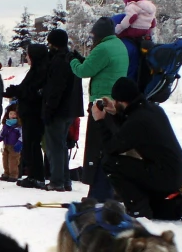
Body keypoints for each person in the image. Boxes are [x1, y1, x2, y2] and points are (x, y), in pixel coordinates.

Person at [91, 77, 182, 219]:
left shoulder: (138, 121)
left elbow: (111, 147)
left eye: (116, 101)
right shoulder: (152, 109)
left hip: (165, 176)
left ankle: (138, 209)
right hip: (173, 172)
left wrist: (99, 121)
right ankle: (151, 205)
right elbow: (129, 132)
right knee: (124, 162)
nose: (114, 103)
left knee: (111, 163)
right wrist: (115, 114)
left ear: (122, 101)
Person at [70, 17, 129, 200]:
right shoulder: (119, 45)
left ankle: (97, 193)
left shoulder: (103, 48)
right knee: (110, 148)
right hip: (117, 103)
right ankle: (112, 189)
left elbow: (83, 71)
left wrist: (73, 60)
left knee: (97, 149)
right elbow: (98, 66)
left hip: (101, 104)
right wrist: (83, 60)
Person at [43, 29, 84, 191]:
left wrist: (49, 108)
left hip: (59, 109)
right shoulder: (72, 58)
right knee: (61, 145)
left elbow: (56, 89)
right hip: (71, 109)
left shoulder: (59, 61)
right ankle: (65, 180)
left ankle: (57, 180)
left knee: (55, 146)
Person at [11, 44, 48, 188]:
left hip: (34, 114)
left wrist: (19, 92)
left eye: (28, 55)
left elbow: (32, 92)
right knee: (29, 145)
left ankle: (37, 176)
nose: (27, 57)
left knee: (33, 145)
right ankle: (32, 174)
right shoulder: (34, 71)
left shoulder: (40, 72)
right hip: (28, 113)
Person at [0, 103, 23, 181]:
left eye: (14, 114)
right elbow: (2, 133)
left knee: (13, 161)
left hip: (14, 146)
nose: (12, 115)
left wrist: (19, 143)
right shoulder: (6, 124)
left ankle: (13, 174)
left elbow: (22, 136)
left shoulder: (18, 126)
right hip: (6, 145)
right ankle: (6, 173)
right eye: (10, 114)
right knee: (5, 159)